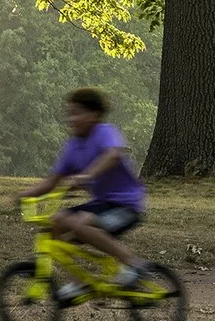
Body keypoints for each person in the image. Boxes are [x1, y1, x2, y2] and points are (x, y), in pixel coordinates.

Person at [26, 88, 148, 294]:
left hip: (126, 206)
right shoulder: (73, 145)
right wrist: (24, 195)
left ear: (95, 116)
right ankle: (77, 282)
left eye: (78, 113)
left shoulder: (104, 132)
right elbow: (52, 182)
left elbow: (113, 155)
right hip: (101, 204)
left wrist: (87, 176)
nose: (72, 119)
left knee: (80, 224)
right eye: (69, 114)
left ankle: (133, 263)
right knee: (55, 222)